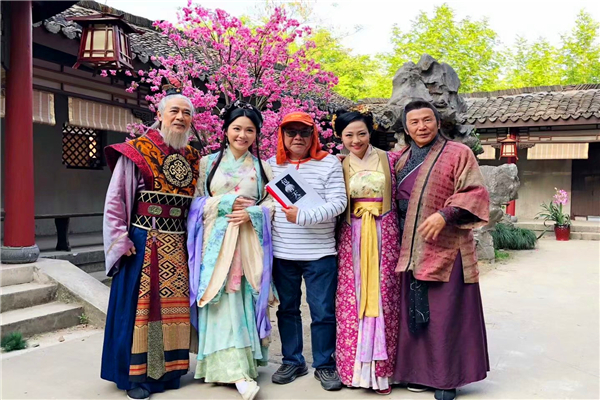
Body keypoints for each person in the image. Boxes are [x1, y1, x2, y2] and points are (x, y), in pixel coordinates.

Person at [101, 88, 200, 400]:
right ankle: (139, 376)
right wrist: (120, 237)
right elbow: (116, 199)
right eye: (174, 111)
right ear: (159, 115)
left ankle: (170, 371)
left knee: (174, 311)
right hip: (145, 242)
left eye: (187, 113)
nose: (181, 118)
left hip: (180, 244)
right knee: (144, 311)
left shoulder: (194, 157)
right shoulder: (137, 151)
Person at [392, 99, 490, 400]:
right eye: (414, 122)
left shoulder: (458, 153)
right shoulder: (400, 158)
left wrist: (444, 214)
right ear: (406, 128)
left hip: (447, 246)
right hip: (410, 245)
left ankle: (448, 378)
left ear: (437, 122)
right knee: (415, 311)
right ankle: (419, 373)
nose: (421, 127)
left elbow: (475, 192)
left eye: (427, 120)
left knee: (446, 313)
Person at [187, 100, 276, 400]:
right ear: (225, 130)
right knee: (220, 299)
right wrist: (225, 203)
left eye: (249, 130)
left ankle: (243, 364)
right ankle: (226, 368)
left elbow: (272, 202)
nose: (242, 135)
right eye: (237, 128)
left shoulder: (263, 167)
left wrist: (253, 214)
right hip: (215, 243)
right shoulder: (207, 164)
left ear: (256, 134)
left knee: (243, 298)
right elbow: (196, 203)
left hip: (248, 242)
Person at [267, 111, 347, 391]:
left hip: (320, 253)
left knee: (322, 311)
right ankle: (293, 360)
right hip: (283, 253)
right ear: (282, 135)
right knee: (287, 310)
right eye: (291, 132)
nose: (298, 137)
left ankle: (324, 364)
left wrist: (303, 216)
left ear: (314, 135)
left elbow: (338, 203)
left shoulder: (329, 163)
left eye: (304, 132)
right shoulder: (271, 166)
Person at [332, 107, 401, 394]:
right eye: (349, 135)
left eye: (361, 133)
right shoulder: (337, 164)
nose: (356, 140)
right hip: (352, 234)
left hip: (385, 233)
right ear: (340, 136)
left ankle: (383, 373)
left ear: (370, 132)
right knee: (353, 297)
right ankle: (353, 371)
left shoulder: (390, 159)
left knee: (384, 296)